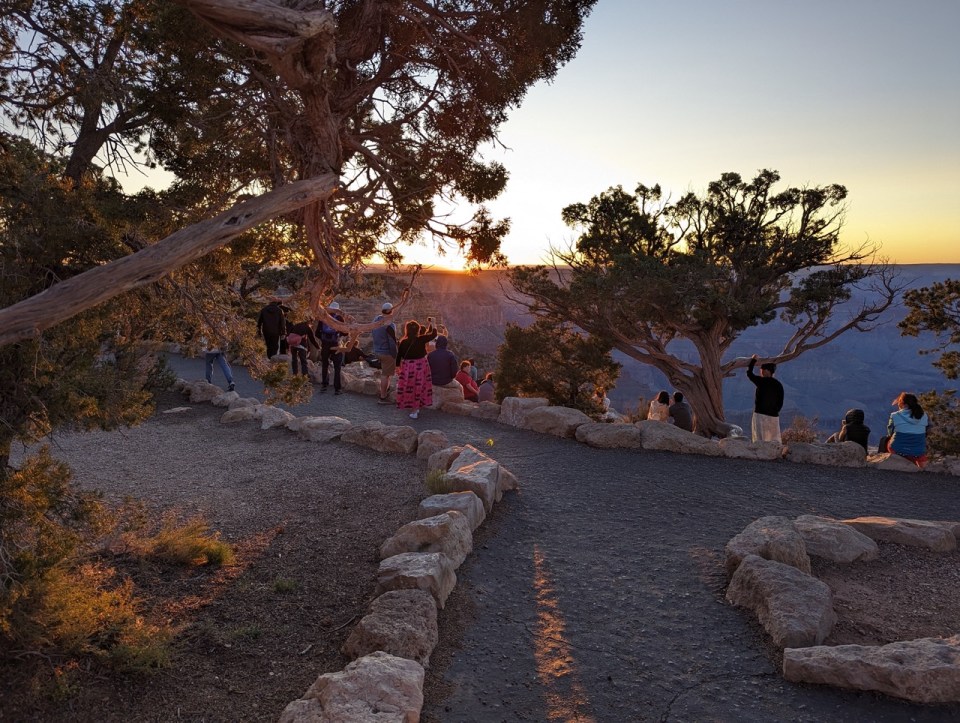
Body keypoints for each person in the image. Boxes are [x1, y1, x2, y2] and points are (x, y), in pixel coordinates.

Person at [395, 317, 438, 419]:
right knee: (419, 387)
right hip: (420, 365)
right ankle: (415, 409)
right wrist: (434, 323)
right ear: (418, 330)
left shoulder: (403, 342)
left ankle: (414, 408)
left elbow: (399, 355)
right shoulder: (421, 339)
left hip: (407, 367)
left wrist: (397, 367)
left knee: (409, 387)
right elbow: (434, 334)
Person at [746, 354, 784, 443]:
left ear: (767, 371)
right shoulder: (778, 385)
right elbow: (780, 401)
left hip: (760, 414)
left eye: (762, 370)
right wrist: (775, 410)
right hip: (773, 415)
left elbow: (749, 374)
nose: (761, 372)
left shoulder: (761, 381)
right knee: (773, 438)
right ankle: (773, 453)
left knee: (759, 437)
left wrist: (753, 360)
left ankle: (760, 453)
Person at [886, 392, 929, 467]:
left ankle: (889, 462)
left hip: (898, 449)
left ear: (903, 403)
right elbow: (926, 431)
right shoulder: (924, 415)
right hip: (919, 451)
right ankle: (918, 463)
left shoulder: (894, 415)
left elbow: (890, 432)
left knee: (885, 440)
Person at [316, 301, 347, 394]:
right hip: (336, 344)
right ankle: (337, 389)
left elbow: (317, 333)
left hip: (325, 345)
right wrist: (338, 335)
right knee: (337, 367)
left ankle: (324, 386)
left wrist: (323, 339)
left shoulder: (324, 318)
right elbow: (345, 332)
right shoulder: (339, 318)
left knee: (325, 365)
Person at [371, 302, 398, 404]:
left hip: (377, 350)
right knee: (385, 374)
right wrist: (395, 354)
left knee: (386, 373)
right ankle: (383, 397)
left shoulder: (376, 320)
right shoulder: (390, 325)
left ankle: (385, 391)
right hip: (386, 352)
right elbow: (392, 341)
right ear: (391, 311)